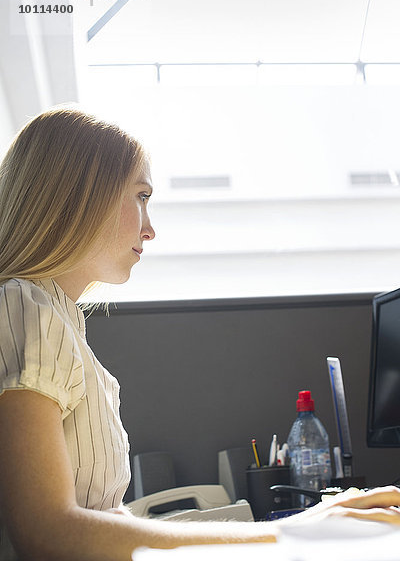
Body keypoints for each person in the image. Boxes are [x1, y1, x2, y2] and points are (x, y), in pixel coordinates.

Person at [0, 106, 398, 561]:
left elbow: (108, 522)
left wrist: (302, 523)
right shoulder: (24, 307)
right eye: (141, 196)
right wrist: (297, 536)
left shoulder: (58, 319)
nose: (149, 229)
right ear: (83, 195)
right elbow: (47, 534)